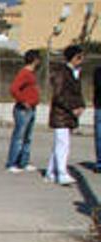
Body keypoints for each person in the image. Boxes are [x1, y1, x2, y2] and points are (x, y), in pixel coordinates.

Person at [47, 45, 85, 185]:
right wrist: (72, 108)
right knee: (63, 144)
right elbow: (59, 95)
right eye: (79, 57)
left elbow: (77, 92)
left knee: (59, 144)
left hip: (68, 114)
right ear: (73, 57)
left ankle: (51, 171)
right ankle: (62, 173)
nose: (81, 60)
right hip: (61, 114)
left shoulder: (75, 72)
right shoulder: (61, 72)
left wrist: (81, 105)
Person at [6, 50, 41, 173]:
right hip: (23, 110)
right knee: (19, 136)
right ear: (34, 60)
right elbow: (14, 88)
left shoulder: (31, 73)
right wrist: (23, 101)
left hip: (31, 108)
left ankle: (24, 162)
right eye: (38, 58)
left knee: (28, 137)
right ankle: (12, 162)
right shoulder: (24, 73)